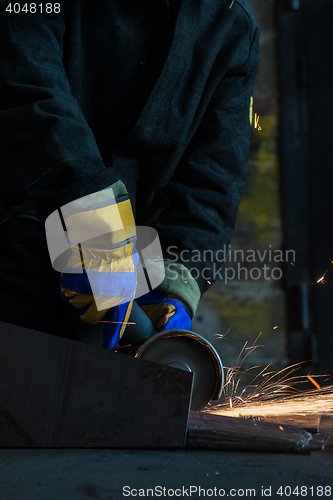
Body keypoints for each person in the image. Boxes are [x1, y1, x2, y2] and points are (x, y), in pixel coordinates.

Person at [0, 0, 259, 348]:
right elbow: (28, 91)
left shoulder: (230, 22)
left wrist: (176, 277)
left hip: (114, 287)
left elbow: (214, 176)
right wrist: (94, 227)